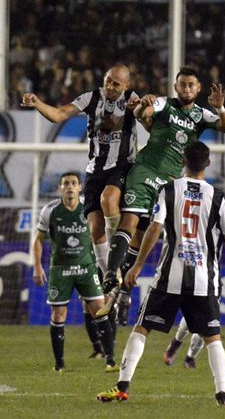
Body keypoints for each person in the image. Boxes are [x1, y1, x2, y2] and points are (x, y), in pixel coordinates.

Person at [96, 141, 225, 405]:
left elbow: (154, 229)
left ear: (182, 161)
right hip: (204, 279)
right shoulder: (218, 196)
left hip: (169, 276)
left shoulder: (168, 190)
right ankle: (222, 395)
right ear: (208, 163)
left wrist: (138, 265)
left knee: (141, 329)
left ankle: (122, 387)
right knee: (213, 337)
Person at [101, 67, 225, 325]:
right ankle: (109, 277)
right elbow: (145, 113)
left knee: (140, 240)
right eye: (182, 85)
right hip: (146, 170)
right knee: (129, 221)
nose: (186, 89)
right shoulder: (165, 103)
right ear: (175, 87)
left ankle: (124, 294)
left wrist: (221, 108)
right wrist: (143, 107)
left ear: (198, 89)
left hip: (170, 183)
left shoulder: (201, 115)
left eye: (190, 85)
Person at [22, 64, 149, 281]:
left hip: (122, 166)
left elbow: (146, 117)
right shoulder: (91, 98)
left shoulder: (132, 97)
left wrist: (144, 106)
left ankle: (114, 262)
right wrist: (37, 103)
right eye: (108, 80)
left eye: (116, 83)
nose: (109, 86)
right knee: (95, 229)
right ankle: (111, 277)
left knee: (109, 199)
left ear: (126, 85)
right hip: (95, 169)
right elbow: (60, 114)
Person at [33, 171, 119, 372]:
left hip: (86, 268)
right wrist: (37, 266)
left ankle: (111, 360)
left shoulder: (89, 208)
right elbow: (38, 239)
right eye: (65, 184)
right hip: (60, 270)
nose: (69, 187)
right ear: (60, 188)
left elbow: (101, 233)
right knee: (58, 314)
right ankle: (59, 363)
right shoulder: (50, 210)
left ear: (80, 187)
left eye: (73, 183)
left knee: (100, 310)